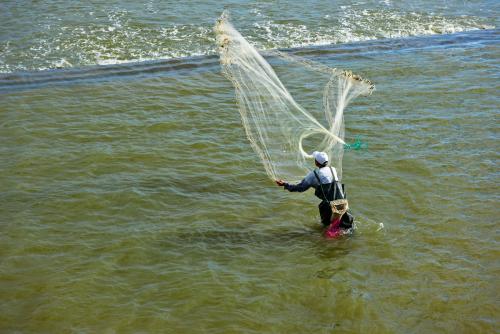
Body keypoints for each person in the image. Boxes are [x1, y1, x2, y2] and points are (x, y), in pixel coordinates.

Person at [275, 151, 353, 236]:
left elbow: (300, 188)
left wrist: (285, 184)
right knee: (342, 229)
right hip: (343, 202)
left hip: (331, 206)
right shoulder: (333, 169)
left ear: (316, 162)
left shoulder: (313, 174)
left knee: (329, 235)